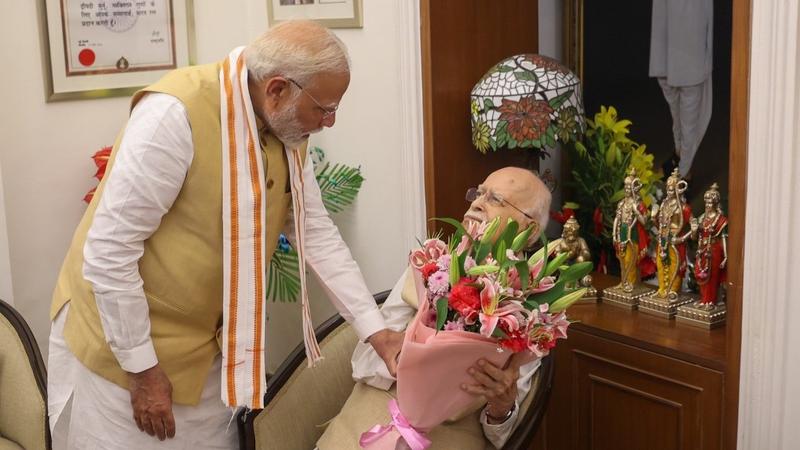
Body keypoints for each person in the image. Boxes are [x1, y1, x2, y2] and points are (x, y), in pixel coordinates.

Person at [47, 20, 402, 449]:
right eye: (323, 108)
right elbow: (108, 252)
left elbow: (315, 231)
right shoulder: (174, 115)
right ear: (276, 90)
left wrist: (376, 331)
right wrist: (141, 370)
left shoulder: (290, 127)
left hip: (210, 350)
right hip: (123, 351)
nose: (329, 122)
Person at [315, 167, 552, 450]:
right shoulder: (429, 267)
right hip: (364, 426)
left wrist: (502, 406)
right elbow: (363, 362)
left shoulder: (529, 313)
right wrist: (411, 355)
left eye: (496, 199)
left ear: (529, 229)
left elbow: (502, 436)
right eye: (479, 193)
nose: (476, 203)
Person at [650, 0, 714, 179]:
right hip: (666, 10)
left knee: (690, 85)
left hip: (692, 14)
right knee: (668, 80)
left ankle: (684, 171)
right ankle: (680, 156)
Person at [651, 169, 693, 299]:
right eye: (668, 188)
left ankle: (673, 291)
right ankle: (662, 289)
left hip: (676, 241)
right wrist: (654, 220)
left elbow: (694, 227)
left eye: (671, 188)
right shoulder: (664, 204)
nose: (669, 191)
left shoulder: (684, 208)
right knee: (661, 264)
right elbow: (661, 224)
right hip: (663, 239)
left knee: (676, 266)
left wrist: (682, 238)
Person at [612, 168, 650, 293]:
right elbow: (617, 218)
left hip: (633, 234)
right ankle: (623, 281)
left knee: (631, 260)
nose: (627, 190)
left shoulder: (639, 204)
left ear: (635, 189)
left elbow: (644, 221)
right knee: (621, 259)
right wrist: (614, 234)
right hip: (621, 231)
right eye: (626, 187)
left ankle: (631, 283)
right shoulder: (622, 203)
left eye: (630, 188)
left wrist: (636, 210)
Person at [690, 183, 728, 306]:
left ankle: (710, 301)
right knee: (700, 274)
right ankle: (703, 299)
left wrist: (726, 256)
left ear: (716, 204)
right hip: (702, 249)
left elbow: (723, 238)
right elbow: (694, 237)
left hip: (714, 250)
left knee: (711, 277)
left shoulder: (721, 220)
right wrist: (694, 230)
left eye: (710, 203)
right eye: (706, 203)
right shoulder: (702, 218)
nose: (707, 205)